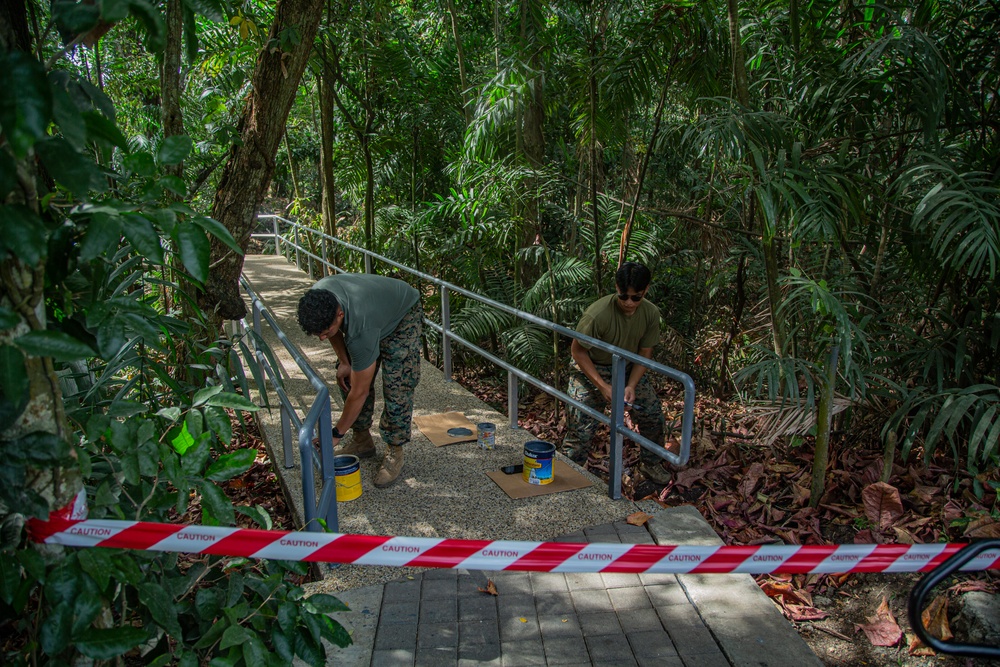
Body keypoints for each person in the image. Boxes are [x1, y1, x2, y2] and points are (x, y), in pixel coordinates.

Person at [297, 273, 422, 488]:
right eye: (318, 334)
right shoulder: (321, 296)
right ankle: (362, 439)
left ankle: (395, 449)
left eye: (325, 332)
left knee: (397, 385)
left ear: (340, 314)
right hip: (372, 313)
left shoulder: (360, 326)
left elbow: (360, 392)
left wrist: (335, 434)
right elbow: (332, 332)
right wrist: (344, 361)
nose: (321, 338)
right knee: (345, 375)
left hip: (402, 316)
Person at [562, 261, 672, 485]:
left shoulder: (650, 313)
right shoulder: (597, 315)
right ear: (616, 288)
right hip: (591, 368)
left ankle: (651, 463)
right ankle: (569, 470)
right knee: (581, 424)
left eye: (636, 297)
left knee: (652, 414)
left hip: (628, 367)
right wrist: (602, 386)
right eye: (624, 297)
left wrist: (631, 385)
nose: (629, 303)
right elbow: (577, 351)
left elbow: (644, 352)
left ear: (646, 291)